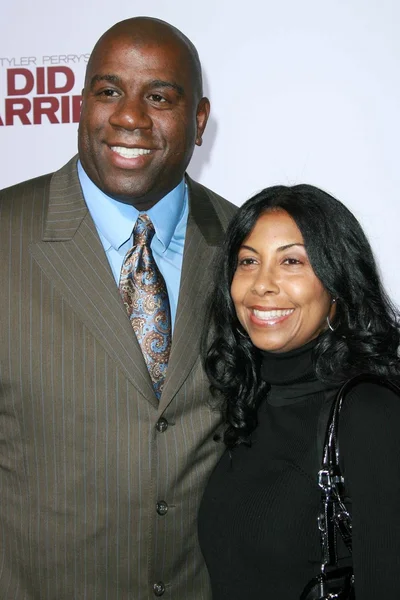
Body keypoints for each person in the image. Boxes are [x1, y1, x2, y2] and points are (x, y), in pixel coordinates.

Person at [0, 17, 236, 600]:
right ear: (82, 104)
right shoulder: (6, 235)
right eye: (108, 92)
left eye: (158, 97)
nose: (129, 117)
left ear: (199, 121)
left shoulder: (248, 246)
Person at [198, 184, 400, 599]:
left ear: (337, 285)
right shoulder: (249, 399)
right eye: (248, 261)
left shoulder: (369, 413)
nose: (262, 285)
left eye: (291, 261)